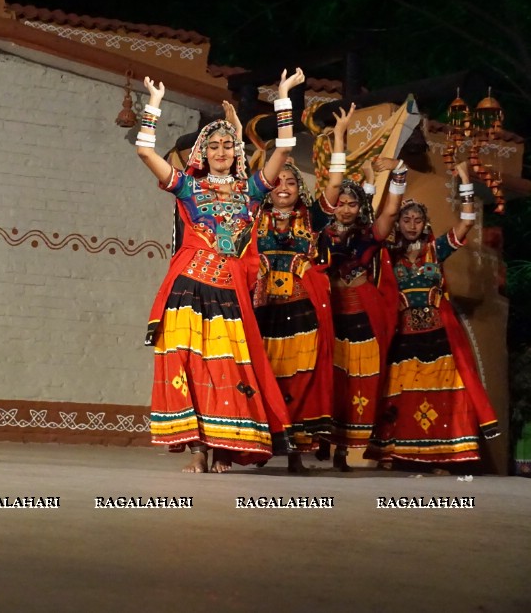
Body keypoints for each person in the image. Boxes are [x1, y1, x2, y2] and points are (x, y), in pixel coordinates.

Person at [137, 69, 305, 473]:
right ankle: (197, 449)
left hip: (227, 292)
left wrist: (283, 98)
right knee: (187, 364)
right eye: (213, 145)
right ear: (202, 152)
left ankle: (223, 448)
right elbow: (145, 153)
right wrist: (153, 106)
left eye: (228, 145)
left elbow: (283, 150)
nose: (221, 150)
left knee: (224, 368)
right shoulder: (188, 188)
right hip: (187, 290)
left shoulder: (251, 191)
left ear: (237, 152)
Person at [365, 162, 500, 469]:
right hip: (403, 336)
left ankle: (443, 453)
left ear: (425, 224)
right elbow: (369, 227)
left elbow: (466, 223)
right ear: (398, 224)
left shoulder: (436, 251)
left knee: (442, 393)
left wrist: (466, 180)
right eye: (406, 219)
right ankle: (397, 453)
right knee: (402, 394)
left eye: (417, 220)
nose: (411, 224)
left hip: (438, 334)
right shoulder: (388, 255)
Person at [249, 104, 354, 472]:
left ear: (300, 189)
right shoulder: (252, 214)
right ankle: (260, 446)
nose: (283, 187)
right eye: (278, 181)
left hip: (301, 311)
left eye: (292, 182)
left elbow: (336, 186)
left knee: (300, 381)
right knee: (264, 378)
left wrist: (339, 138)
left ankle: (295, 453)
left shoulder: (313, 216)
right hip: (262, 313)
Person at [321, 157, 407, 470]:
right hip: (332, 317)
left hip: (363, 317)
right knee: (333, 383)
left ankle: (344, 452)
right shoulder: (320, 234)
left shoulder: (368, 236)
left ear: (359, 207)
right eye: (340, 203)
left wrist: (398, 171)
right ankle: (326, 444)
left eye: (352, 204)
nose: (345, 209)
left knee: (360, 383)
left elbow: (392, 211)